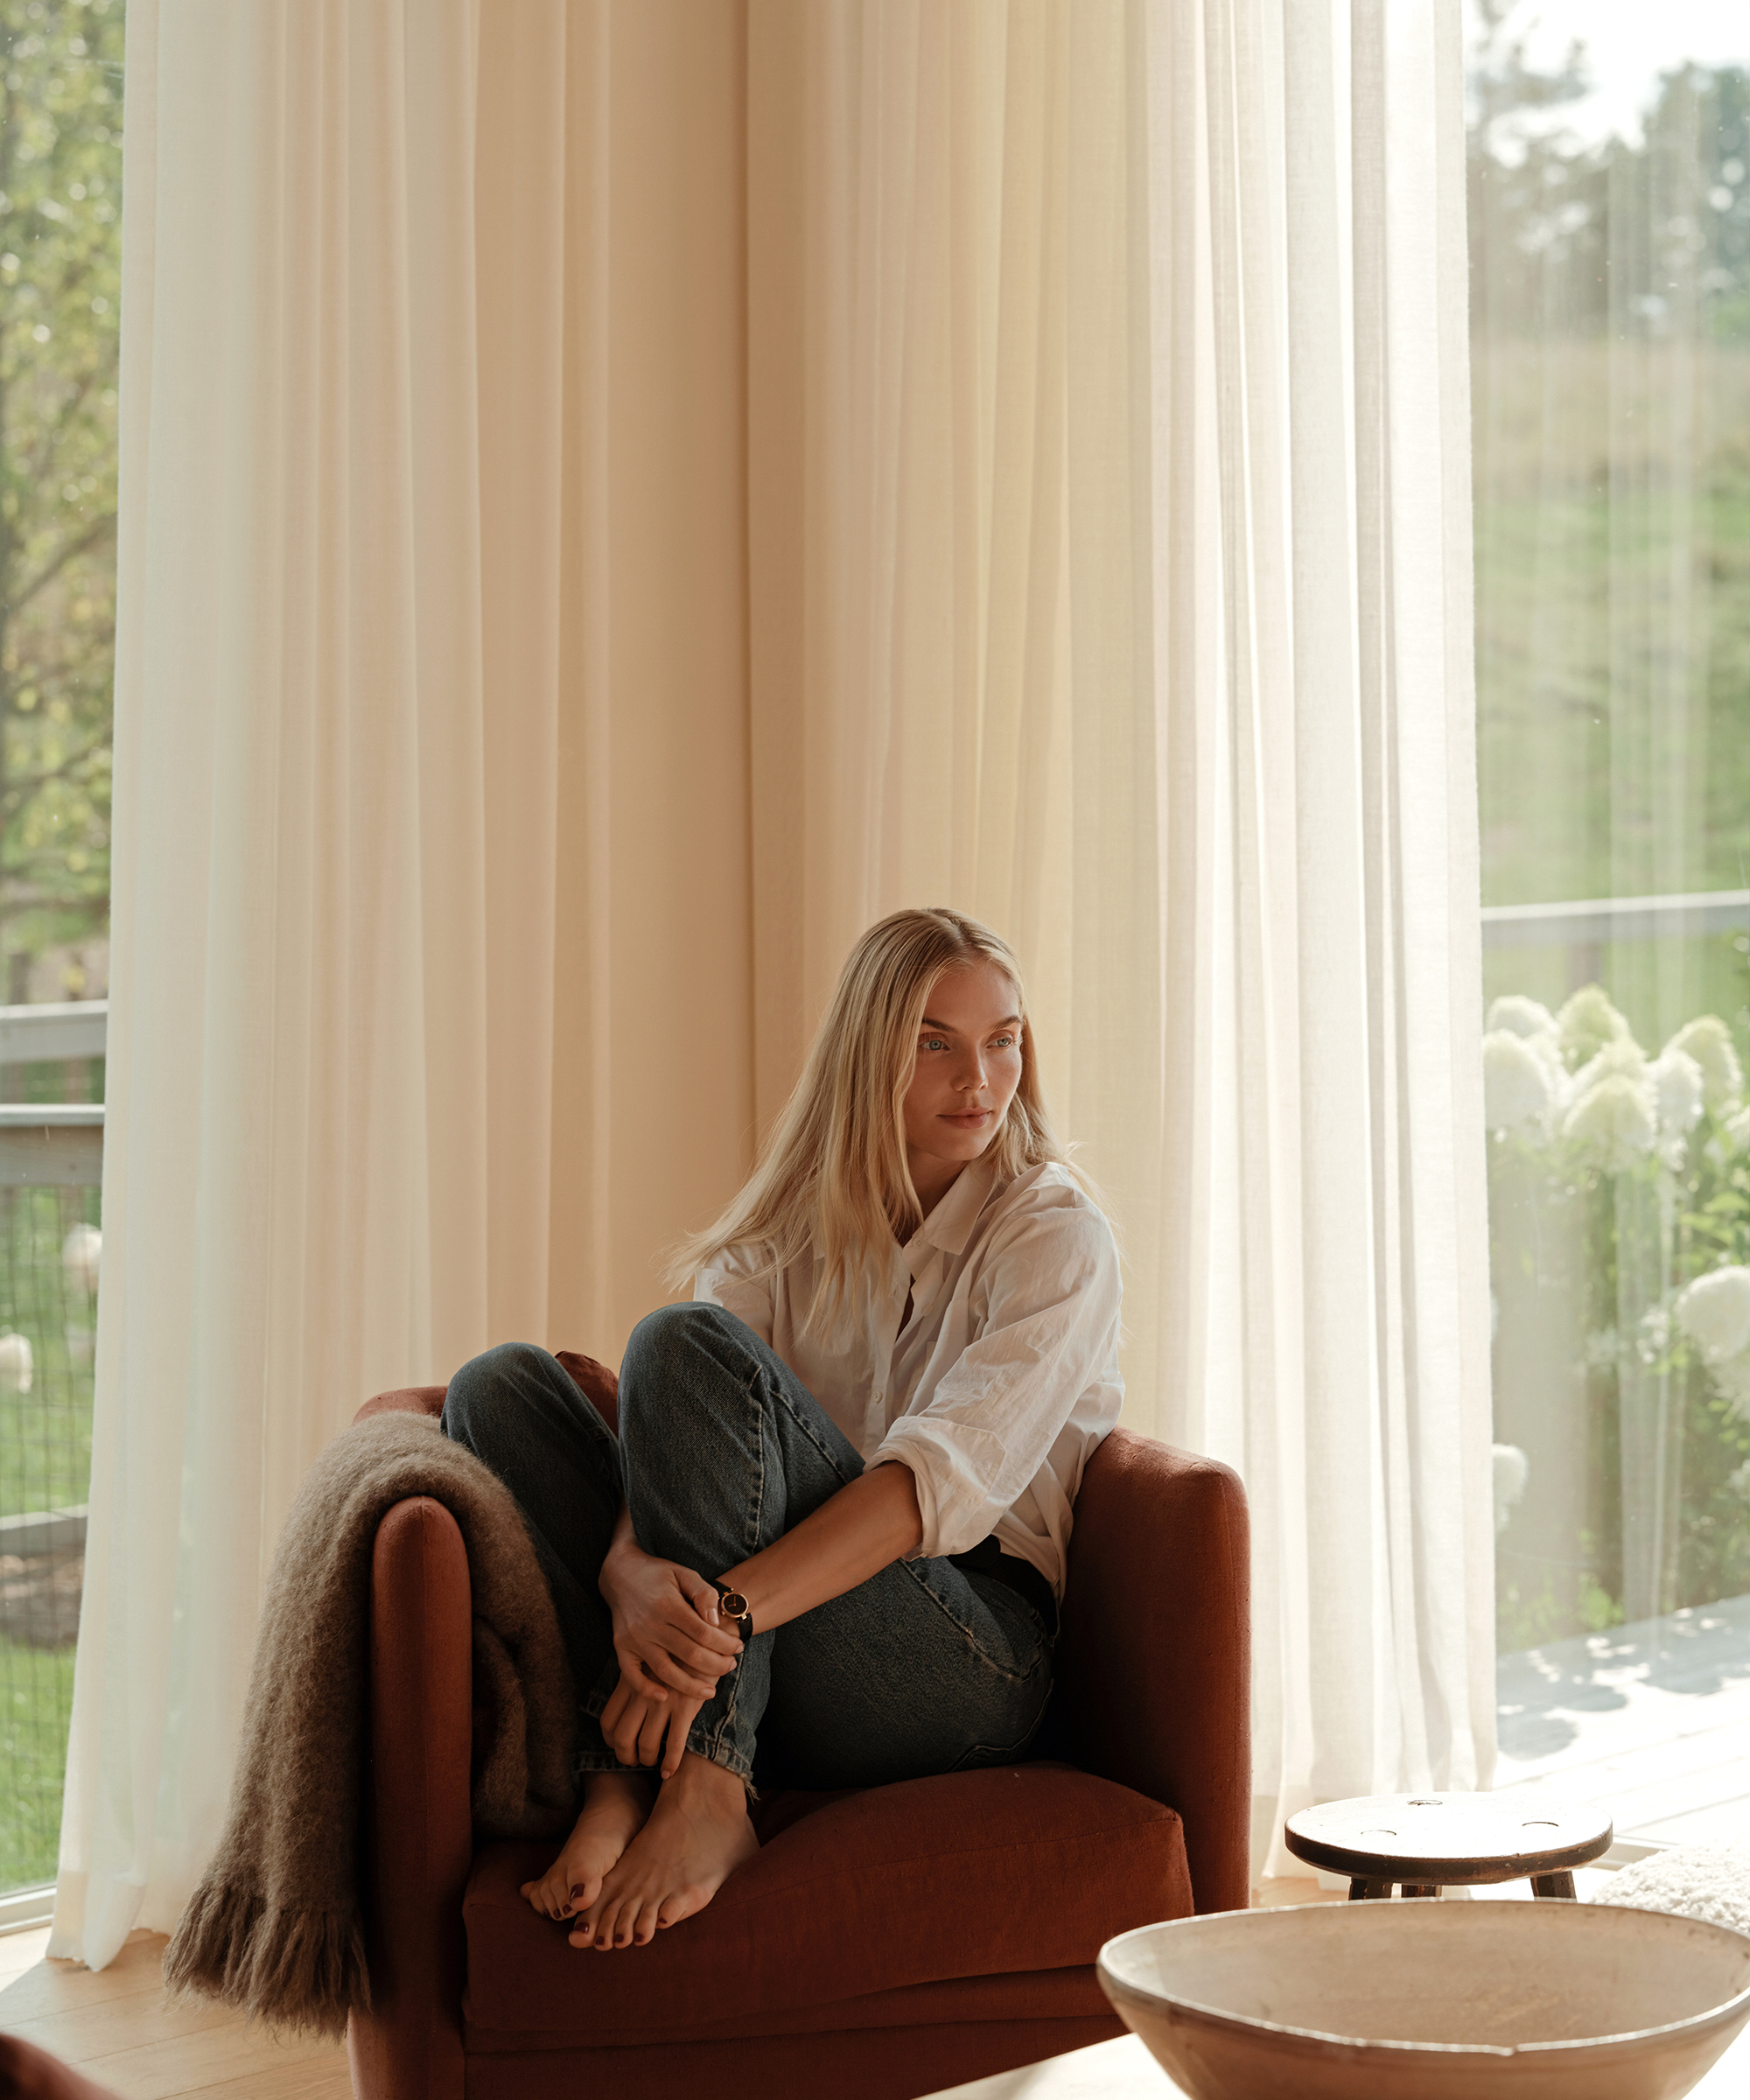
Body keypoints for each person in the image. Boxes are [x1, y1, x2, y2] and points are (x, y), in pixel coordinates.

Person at [441, 906, 1122, 1952]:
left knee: (680, 1343)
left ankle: (703, 1784)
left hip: (963, 1653)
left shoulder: (1054, 1233)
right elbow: (678, 1442)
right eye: (933, 1044)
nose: (979, 1080)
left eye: (1002, 1041)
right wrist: (627, 1577)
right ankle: (624, 1778)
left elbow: (926, 1495)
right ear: (867, 1054)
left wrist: (719, 1616)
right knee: (498, 1389)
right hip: (781, 1637)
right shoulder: (786, 1231)